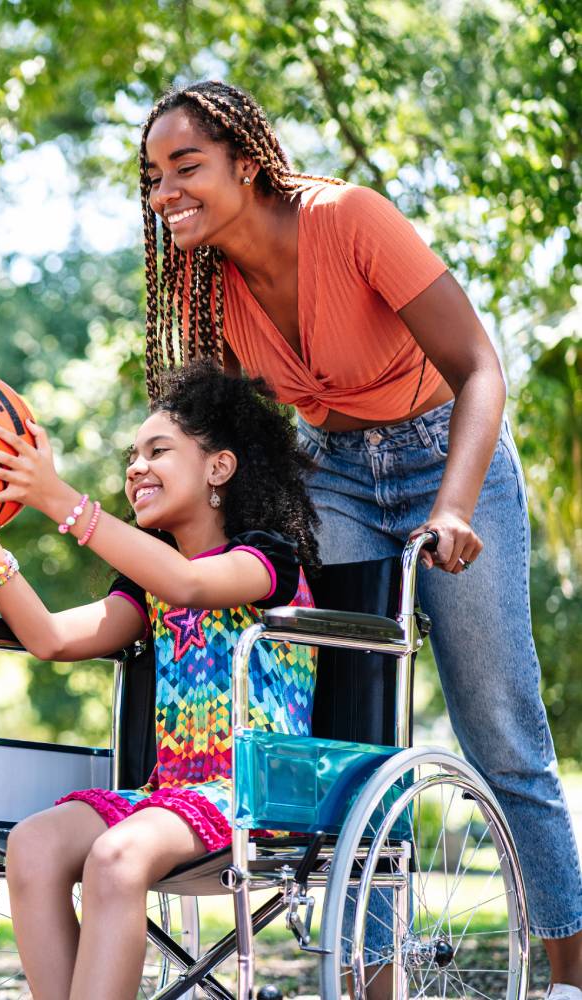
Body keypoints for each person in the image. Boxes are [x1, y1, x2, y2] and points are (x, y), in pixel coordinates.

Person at [137, 79, 582, 999]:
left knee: (500, 728)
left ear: (246, 165)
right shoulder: (210, 289)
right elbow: (230, 436)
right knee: (356, 731)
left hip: (445, 453)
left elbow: (477, 367)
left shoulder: (350, 220)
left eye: (186, 167)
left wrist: (453, 505)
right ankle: (372, 980)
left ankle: (571, 975)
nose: (165, 192)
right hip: (332, 472)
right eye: (153, 175)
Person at [0, 362, 320, 1000]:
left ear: (219, 468)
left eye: (159, 450)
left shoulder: (267, 559)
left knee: (116, 856)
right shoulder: (146, 587)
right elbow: (49, 638)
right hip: (170, 800)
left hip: (255, 795)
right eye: (133, 455)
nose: (136, 467)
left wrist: (61, 501)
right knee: (34, 844)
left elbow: (190, 584)